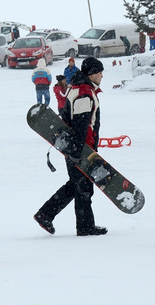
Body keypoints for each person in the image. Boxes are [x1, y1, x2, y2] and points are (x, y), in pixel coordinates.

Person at [33, 57, 107, 237]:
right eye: (99, 72)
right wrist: (79, 151)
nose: (102, 76)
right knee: (82, 187)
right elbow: (81, 124)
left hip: (77, 147)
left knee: (78, 185)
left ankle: (47, 215)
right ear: (92, 74)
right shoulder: (84, 93)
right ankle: (83, 226)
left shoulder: (82, 89)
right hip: (80, 149)